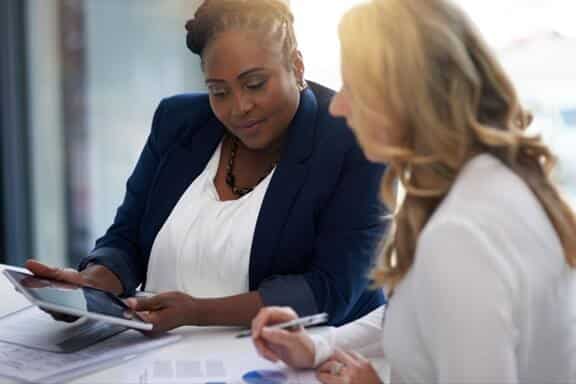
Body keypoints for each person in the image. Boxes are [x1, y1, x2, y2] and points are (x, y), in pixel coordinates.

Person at [250, 0, 576, 383]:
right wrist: (320, 345)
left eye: (354, 89)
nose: (337, 107)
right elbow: (418, 313)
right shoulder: (497, 184)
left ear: (403, 98)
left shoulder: (460, 236)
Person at [25, 0, 387, 333]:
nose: (239, 107)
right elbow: (128, 237)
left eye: (255, 84)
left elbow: (330, 291)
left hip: (312, 359)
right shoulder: (178, 122)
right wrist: (92, 284)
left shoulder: (353, 139)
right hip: (163, 359)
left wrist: (198, 312)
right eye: (219, 91)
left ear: (296, 65)